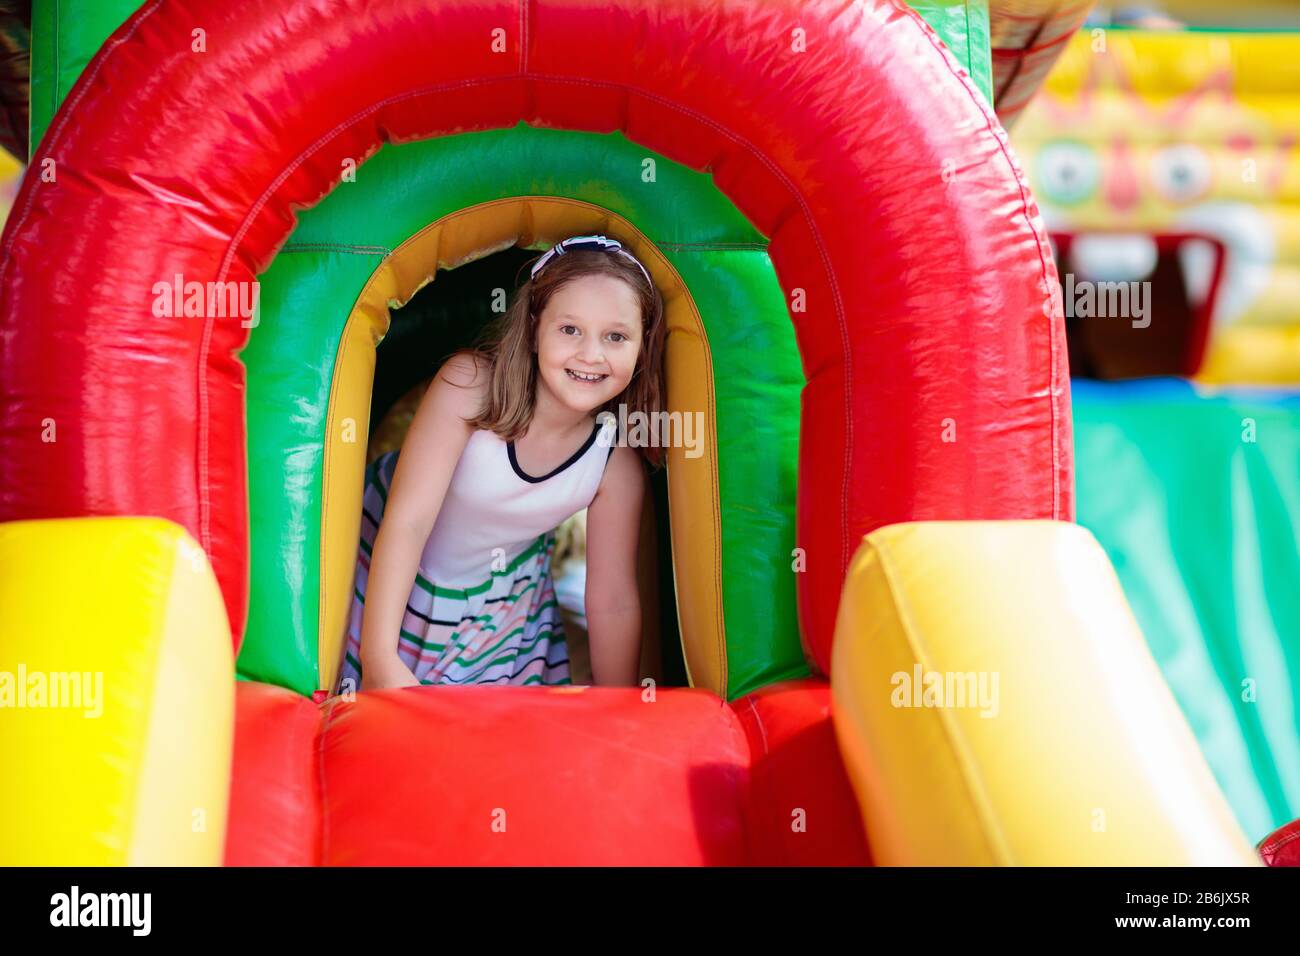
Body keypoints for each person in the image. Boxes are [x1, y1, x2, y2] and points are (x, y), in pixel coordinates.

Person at [337, 235, 665, 691]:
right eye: (570, 329)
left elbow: (612, 601)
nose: (592, 354)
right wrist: (378, 658)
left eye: (616, 336)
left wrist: (619, 706)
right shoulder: (469, 386)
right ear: (534, 327)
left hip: (499, 603)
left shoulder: (614, 461)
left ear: (642, 347)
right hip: (387, 562)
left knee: (480, 737)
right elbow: (409, 522)